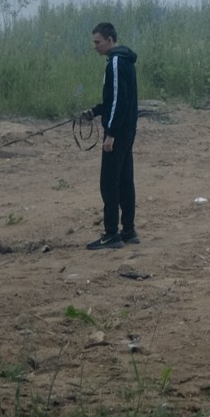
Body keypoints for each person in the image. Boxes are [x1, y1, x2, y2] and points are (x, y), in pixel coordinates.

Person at [83, 21, 139, 249]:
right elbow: (116, 99)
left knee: (109, 183)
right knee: (125, 181)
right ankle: (128, 230)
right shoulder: (124, 61)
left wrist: (111, 134)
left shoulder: (115, 63)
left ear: (109, 39)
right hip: (128, 130)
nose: (95, 46)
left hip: (117, 133)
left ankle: (111, 234)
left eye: (97, 42)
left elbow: (118, 100)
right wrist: (95, 111)